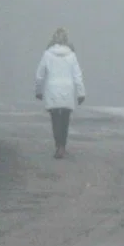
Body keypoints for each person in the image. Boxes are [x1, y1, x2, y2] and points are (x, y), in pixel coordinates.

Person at [33, 28, 86, 157]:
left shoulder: (47, 54)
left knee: (55, 118)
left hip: (52, 89)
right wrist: (81, 93)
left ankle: (58, 146)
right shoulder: (72, 55)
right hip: (67, 89)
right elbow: (77, 75)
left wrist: (38, 91)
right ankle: (62, 146)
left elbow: (40, 75)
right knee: (65, 119)